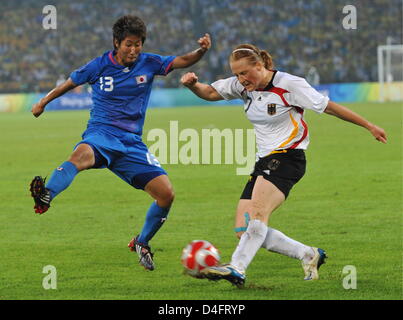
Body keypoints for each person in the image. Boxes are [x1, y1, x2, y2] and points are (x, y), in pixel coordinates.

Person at [180, 44, 387, 287]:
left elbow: (329, 107)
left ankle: (237, 267)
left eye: (245, 73)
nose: (240, 79)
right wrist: (193, 85)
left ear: (260, 66)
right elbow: (211, 93)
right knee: (243, 228)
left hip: (288, 157)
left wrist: (369, 126)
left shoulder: (289, 84)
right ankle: (308, 254)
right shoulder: (242, 86)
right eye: (236, 74)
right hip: (264, 161)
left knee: (258, 213)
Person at [30, 15, 211, 271]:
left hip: (132, 144)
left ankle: (142, 242)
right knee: (79, 158)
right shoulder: (99, 65)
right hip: (101, 134)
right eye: (128, 44)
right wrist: (41, 103)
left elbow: (182, 61)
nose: (134, 50)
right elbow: (68, 84)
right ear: (116, 42)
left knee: (166, 194)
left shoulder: (149, 63)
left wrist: (201, 51)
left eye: (138, 44)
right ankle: (47, 195)